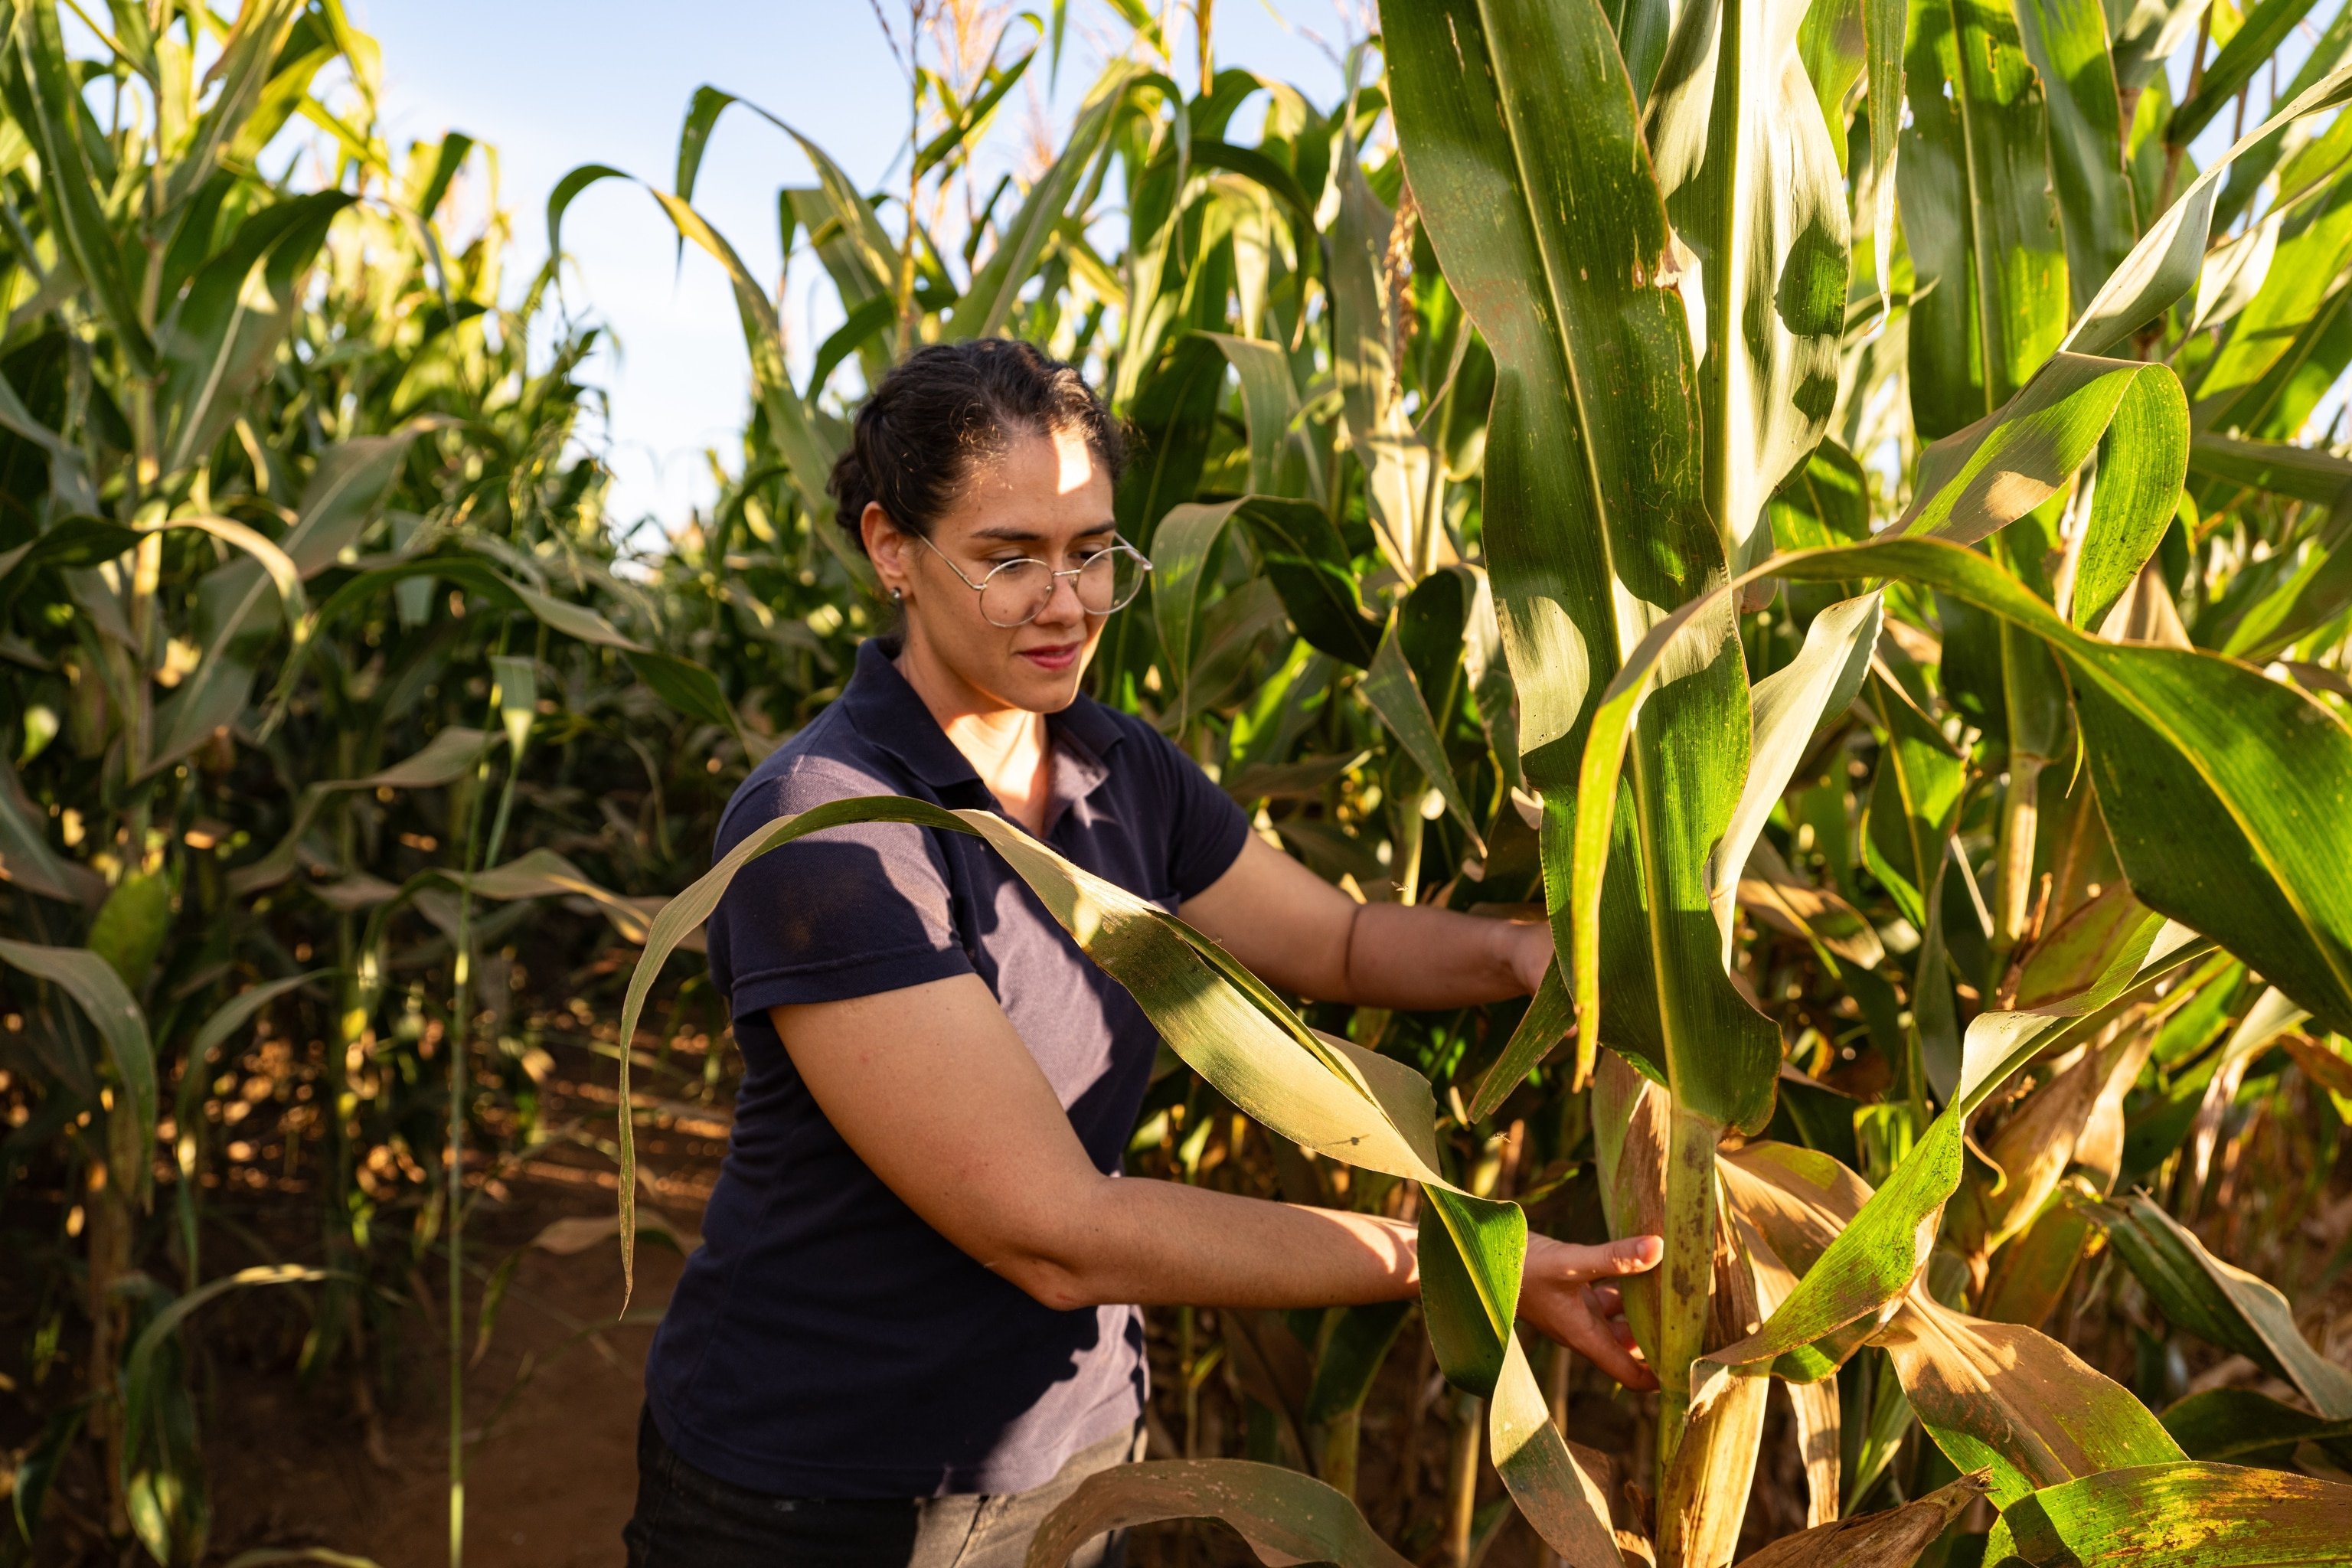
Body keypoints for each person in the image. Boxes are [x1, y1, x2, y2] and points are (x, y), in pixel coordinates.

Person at [622, 340, 1660, 1568]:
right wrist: (1467, 1262)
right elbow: (1056, 1232)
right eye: (1008, 559)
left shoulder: (1121, 769)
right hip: (822, 1492)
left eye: (1090, 551)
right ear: (892, 550)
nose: (1064, 604)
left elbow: (1337, 939)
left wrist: (1523, 956)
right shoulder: (832, 825)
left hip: (1076, 1463)